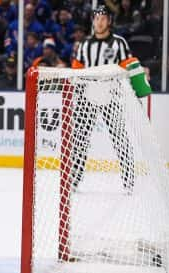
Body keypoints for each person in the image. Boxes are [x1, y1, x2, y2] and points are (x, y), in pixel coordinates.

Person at [68, 5, 144, 192]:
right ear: (93, 21)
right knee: (80, 139)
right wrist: (76, 96)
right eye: (96, 18)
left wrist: (138, 88)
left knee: (119, 139)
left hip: (111, 96)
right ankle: (75, 179)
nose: (99, 22)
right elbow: (77, 71)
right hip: (87, 97)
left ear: (109, 21)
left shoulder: (119, 43)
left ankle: (128, 181)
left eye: (103, 18)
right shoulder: (85, 45)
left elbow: (129, 66)